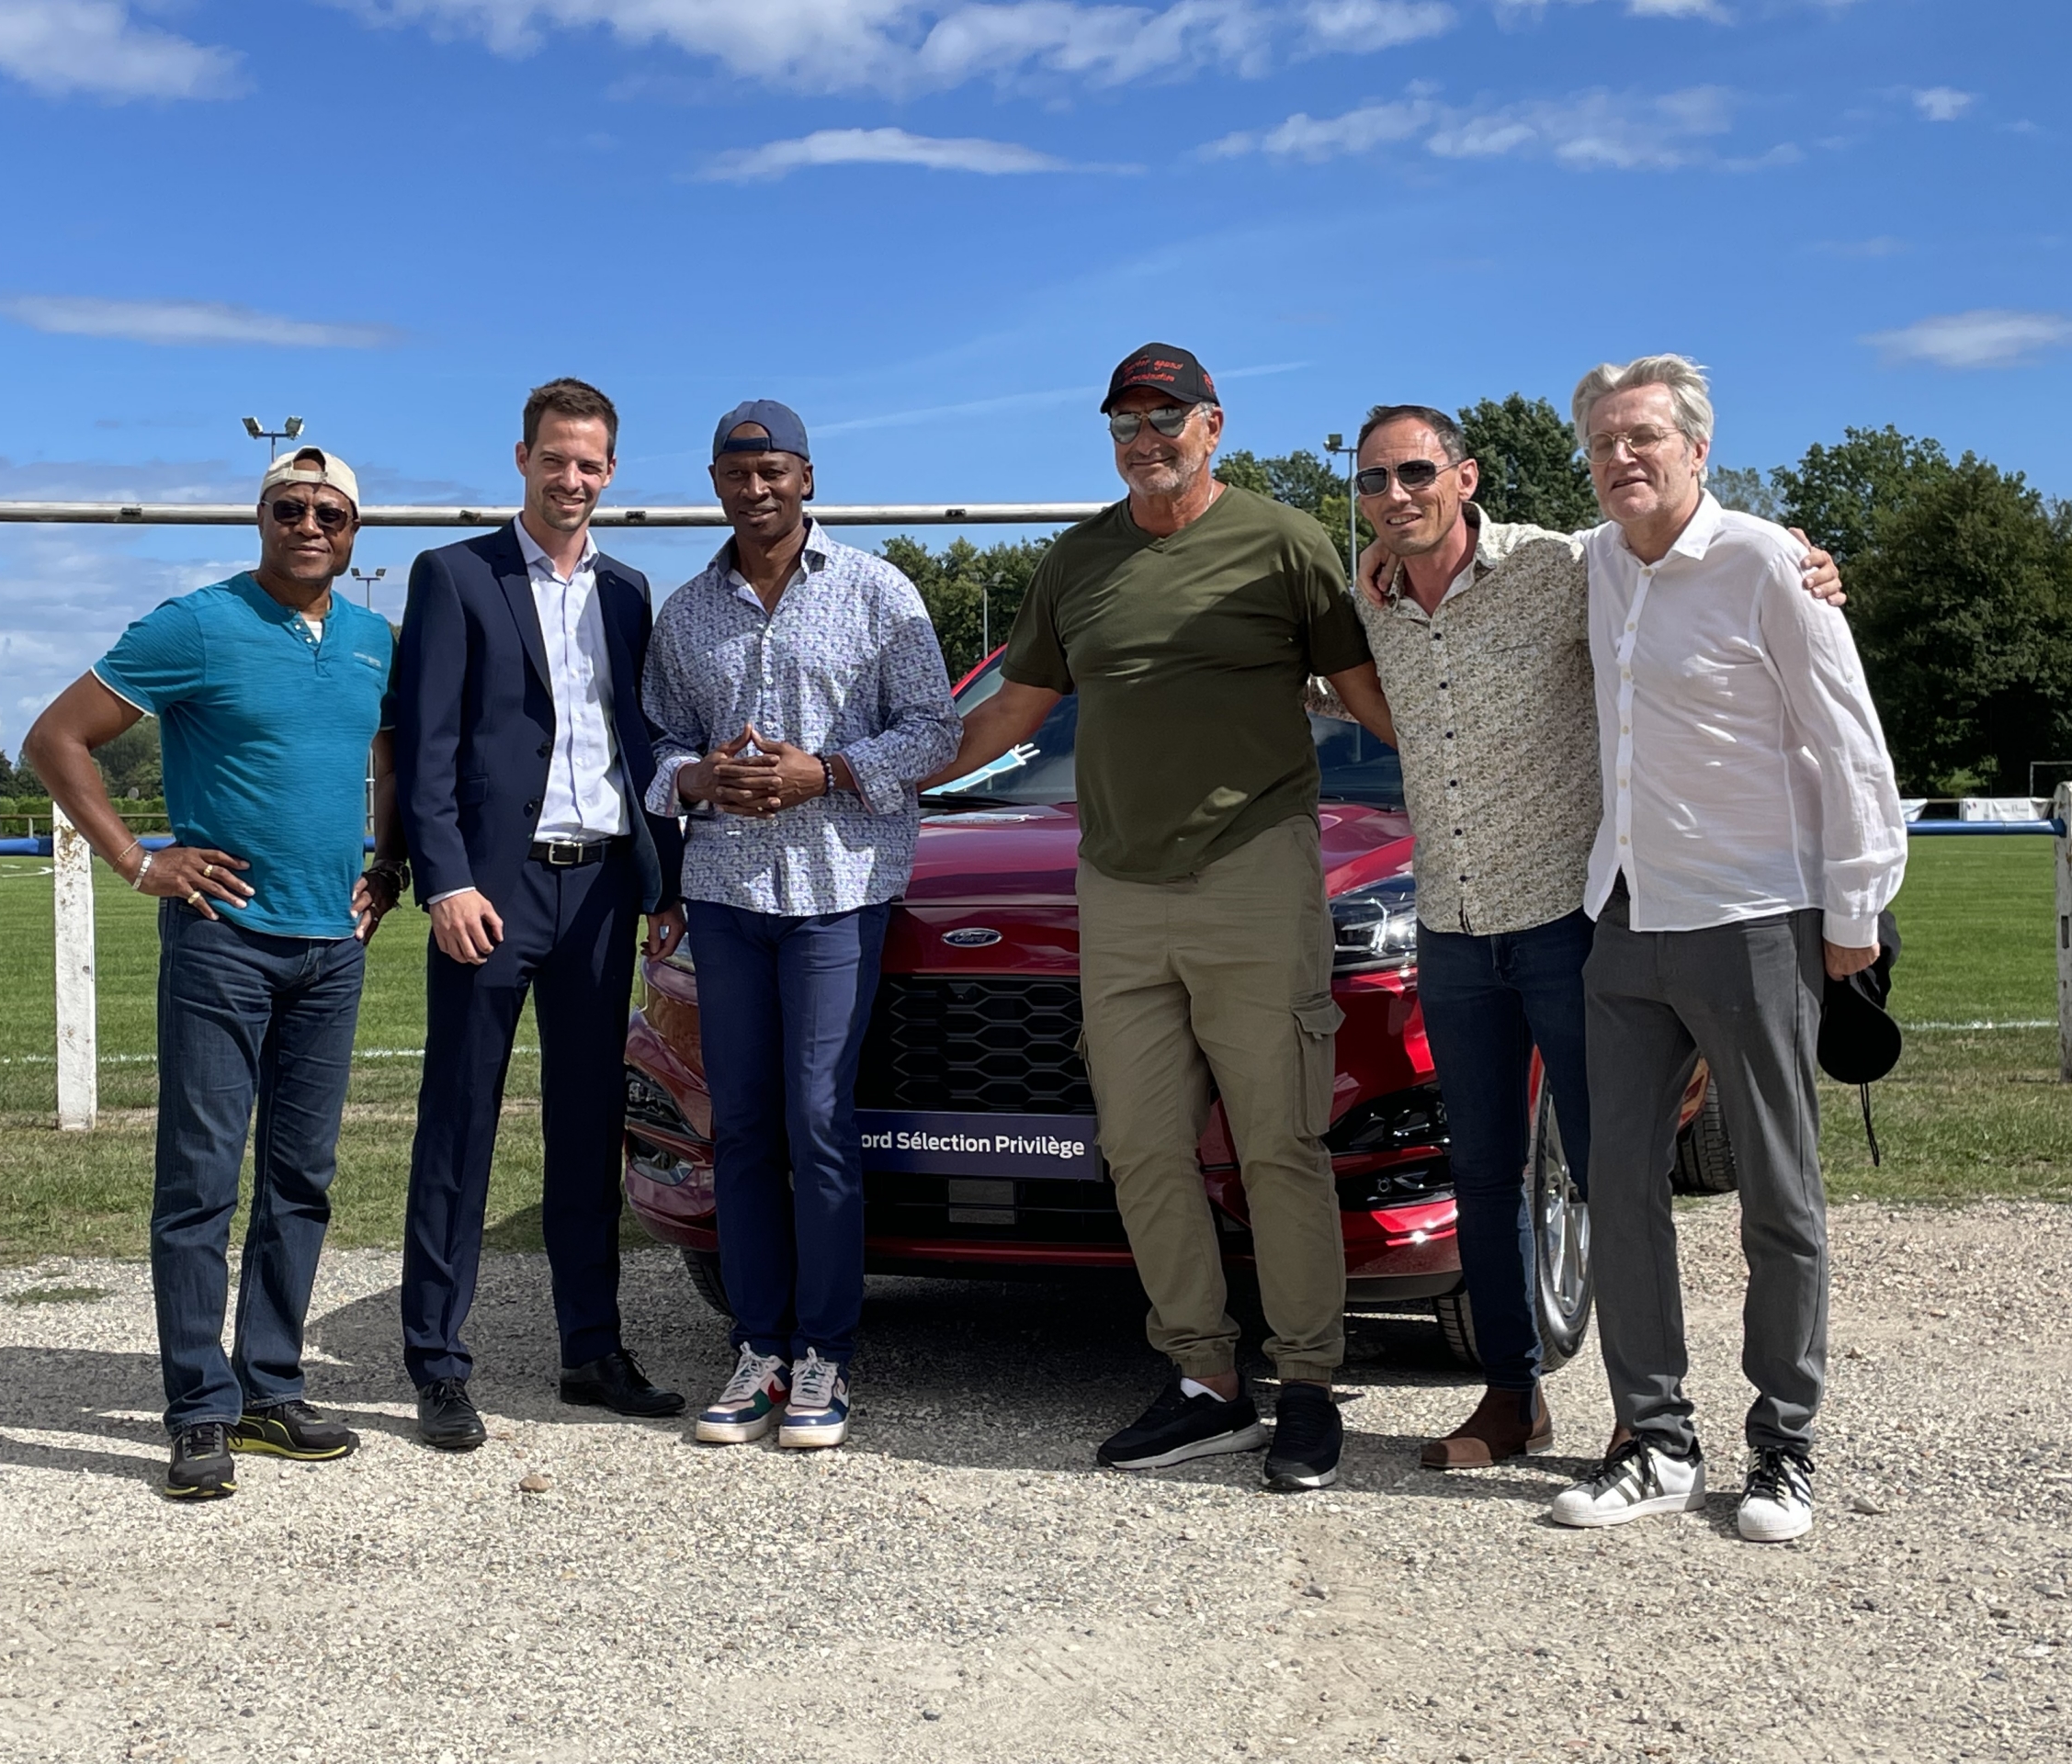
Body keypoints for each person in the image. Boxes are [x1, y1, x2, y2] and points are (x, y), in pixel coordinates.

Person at [1341, 405, 1843, 1471]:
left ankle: (1639, 1414)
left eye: (1416, 472)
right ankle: (1511, 1400)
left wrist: (1793, 554)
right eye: (1373, 480)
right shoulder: (1370, 594)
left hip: (1571, 918)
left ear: (1465, 477)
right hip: (1452, 924)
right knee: (1481, 1172)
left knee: (1613, 1175)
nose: (1394, 496)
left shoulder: (1558, 565)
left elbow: (1674, 547)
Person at [929, 343, 1394, 1492]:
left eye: (1164, 418)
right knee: (1140, 1147)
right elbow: (1013, 714)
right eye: (1125, 423)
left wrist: (1481, 769)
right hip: (1117, 889)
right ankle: (1205, 1380)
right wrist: (869, 774)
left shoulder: (1284, 542)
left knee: (1278, 1143)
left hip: (1254, 874)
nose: (1145, 439)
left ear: (1211, 426)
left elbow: (1373, 698)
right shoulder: (1078, 560)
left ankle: (1307, 1384)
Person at [1546, 355, 1904, 1544]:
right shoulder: (1595, 561)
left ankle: (1783, 1447)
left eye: (1642, 437)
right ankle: (1656, 1443)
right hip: (1625, 917)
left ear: (1698, 449)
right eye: (1602, 442)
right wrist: (1383, 556)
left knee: (1777, 1194)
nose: (1620, 458)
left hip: (1754, 918)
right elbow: (1475, 548)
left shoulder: (1765, 564)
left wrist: (1853, 912)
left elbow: (1849, 743)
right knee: (1617, 1189)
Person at [23, 446, 403, 1501]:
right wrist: (137, 859)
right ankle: (199, 1408)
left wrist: (388, 866)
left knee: (301, 1180)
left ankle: (269, 1386)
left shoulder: (374, 639)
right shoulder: (195, 625)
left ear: (354, 532)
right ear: (261, 518)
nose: (309, 525)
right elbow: (56, 738)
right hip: (222, 942)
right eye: (290, 508)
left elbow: (392, 759)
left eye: (330, 512)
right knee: (199, 1180)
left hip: (331, 949)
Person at [644, 401, 960, 1451]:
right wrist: (697, 779)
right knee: (740, 1125)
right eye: (737, 474)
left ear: (806, 478)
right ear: (715, 483)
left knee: (818, 1119)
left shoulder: (876, 592)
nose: (756, 489)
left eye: (773, 471)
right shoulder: (687, 613)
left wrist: (824, 771)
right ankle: (759, 1346)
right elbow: (655, 742)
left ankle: (824, 1351)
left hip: (836, 893)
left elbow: (935, 729)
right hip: (726, 893)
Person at [394, 379, 688, 1451]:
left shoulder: (629, 593)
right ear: (521, 459)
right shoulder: (454, 576)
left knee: (587, 1125)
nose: (572, 479)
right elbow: (424, 743)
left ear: (610, 472)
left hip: (600, 888)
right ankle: (437, 1361)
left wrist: (664, 882)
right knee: (459, 1122)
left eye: (590, 464)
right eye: (555, 459)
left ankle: (590, 1349)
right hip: (492, 889)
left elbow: (640, 747)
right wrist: (446, 880)